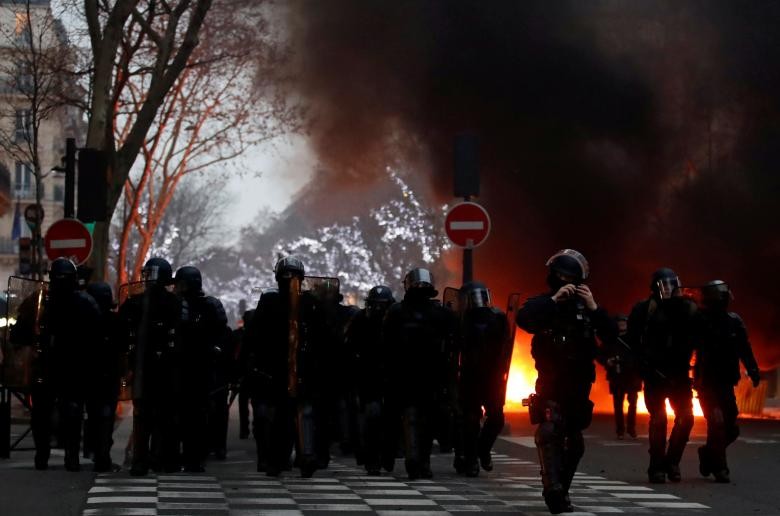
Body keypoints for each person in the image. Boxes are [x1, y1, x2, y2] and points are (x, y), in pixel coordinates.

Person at [516, 249, 613, 514]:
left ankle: (562, 490)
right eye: (560, 276)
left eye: (570, 278)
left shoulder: (588, 308)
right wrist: (554, 301)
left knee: (575, 444)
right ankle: (552, 489)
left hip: (580, 385)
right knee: (550, 432)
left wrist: (595, 308)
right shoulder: (545, 304)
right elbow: (523, 319)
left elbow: (612, 337)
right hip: (551, 382)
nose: (565, 282)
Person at [244, 257, 325, 477]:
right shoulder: (271, 301)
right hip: (276, 367)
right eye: (286, 276)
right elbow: (256, 334)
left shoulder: (309, 302)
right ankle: (278, 460)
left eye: (293, 276)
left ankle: (304, 456)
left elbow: (321, 334)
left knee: (303, 413)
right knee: (281, 415)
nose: (290, 281)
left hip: (302, 366)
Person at [383, 267, 457, 480]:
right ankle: (414, 461)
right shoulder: (438, 313)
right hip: (415, 375)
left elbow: (453, 343)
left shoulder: (399, 312)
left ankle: (415, 460)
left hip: (417, 375)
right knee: (417, 420)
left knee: (417, 420)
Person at [628, 267, 697, 483]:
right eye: (664, 285)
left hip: (679, 374)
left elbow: (702, 335)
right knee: (658, 420)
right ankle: (656, 467)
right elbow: (631, 342)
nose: (669, 290)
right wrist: (642, 367)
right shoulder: (643, 309)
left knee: (686, 419)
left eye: (672, 285)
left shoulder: (689, 308)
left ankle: (672, 461)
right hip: (654, 375)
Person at [33, 258, 101, 471]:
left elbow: (24, 330)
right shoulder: (85, 302)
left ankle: (43, 456)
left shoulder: (42, 301)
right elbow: (98, 336)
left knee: (44, 412)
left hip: (55, 365)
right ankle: (70, 457)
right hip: (73, 367)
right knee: (69, 413)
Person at [118, 257, 182, 476]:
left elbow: (121, 333)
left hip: (143, 369)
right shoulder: (174, 303)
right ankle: (160, 460)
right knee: (161, 416)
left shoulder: (135, 302)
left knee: (143, 416)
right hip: (164, 370)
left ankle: (141, 460)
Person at [694, 280, 761, 483]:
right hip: (706, 382)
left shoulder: (734, 322)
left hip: (726, 382)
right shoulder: (699, 320)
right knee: (717, 422)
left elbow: (744, 348)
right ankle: (721, 469)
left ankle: (707, 454)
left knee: (731, 428)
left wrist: (753, 370)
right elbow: (685, 345)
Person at [174, 266, 230, 471]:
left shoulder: (199, 306)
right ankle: (194, 457)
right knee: (196, 416)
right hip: (197, 369)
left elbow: (222, 335)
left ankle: (192, 456)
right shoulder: (208, 306)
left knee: (192, 416)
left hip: (194, 369)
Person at [453, 281, 512, 477]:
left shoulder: (498, 318)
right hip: (469, 376)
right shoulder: (460, 321)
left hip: (492, 377)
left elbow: (505, 345)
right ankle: (471, 461)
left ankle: (483, 450)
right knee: (470, 420)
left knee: (496, 418)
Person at [345, 285, 396, 475]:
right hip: (368, 375)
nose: (379, 310)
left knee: (391, 419)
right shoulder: (360, 319)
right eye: (376, 305)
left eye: (383, 306)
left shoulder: (396, 318)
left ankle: (387, 456)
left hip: (391, 375)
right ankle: (372, 459)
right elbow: (349, 346)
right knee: (372, 418)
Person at [84, 282, 123, 472]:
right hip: (109, 376)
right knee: (105, 417)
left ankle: (96, 454)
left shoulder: (86, 321)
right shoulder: (116, 321)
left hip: (92, 375)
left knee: (94, 415)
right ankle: (102, 456)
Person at [602, 314, 642, 439]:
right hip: (617, 374)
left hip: (632, 375)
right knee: (618, 405)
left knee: (633, 402)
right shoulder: (611, 339)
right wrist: (607, 361)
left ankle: (631, 428)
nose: (622, 324)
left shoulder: (634, 338)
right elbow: (601, 354)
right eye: (619, 322)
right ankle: (620, 430)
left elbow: (641, 353)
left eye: (624, 322)